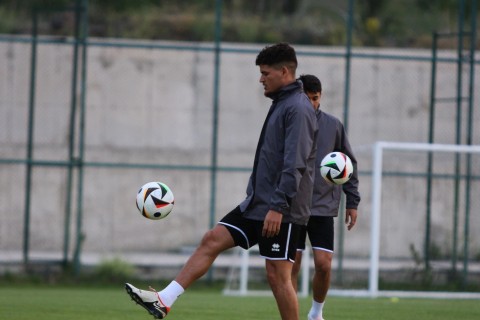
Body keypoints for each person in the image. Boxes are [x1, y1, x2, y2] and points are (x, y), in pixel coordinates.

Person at [125, 43, 318, 320]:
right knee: (212, 239)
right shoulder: (282, 103)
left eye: (265, 73)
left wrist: (278, 206)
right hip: (258, 203)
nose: (261, 79)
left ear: (284, 71)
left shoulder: (298, 108)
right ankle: (163, 300)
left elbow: (295, 164)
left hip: (282, 210)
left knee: (278, 276)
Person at [291, 74, 360, 320]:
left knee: (323, 264)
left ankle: (316, 313)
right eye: (306, 98)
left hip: (322, 206)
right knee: (292, 265)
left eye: (315, 98)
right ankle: (291, 314)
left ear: (320, 97)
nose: (311, 104)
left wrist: (352, 202)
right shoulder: (290, 124)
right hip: (293, 206)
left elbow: (348, 163)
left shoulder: (333, 125)